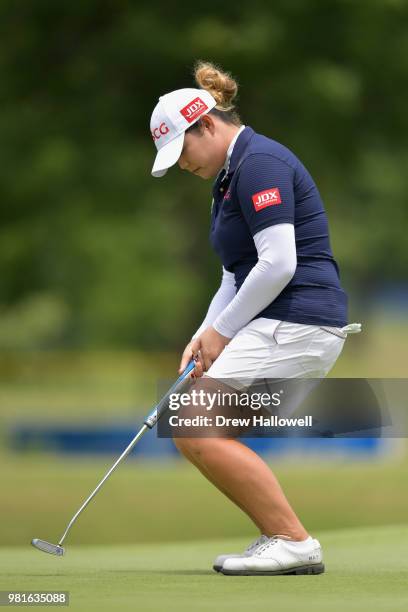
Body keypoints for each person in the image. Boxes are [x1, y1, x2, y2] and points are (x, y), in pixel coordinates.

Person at [149, 61, 361, 576]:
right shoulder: (227, 180)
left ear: (206, 124)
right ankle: (282, 538)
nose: (181, 164)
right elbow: (234, 275)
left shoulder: (259, 163)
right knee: (197, 426)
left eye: (183, 150)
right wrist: (205, 335)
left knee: (195, 423)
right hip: (283, 323)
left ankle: (291, 540)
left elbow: (279, 263)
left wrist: (223, 332)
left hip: (296, 320)